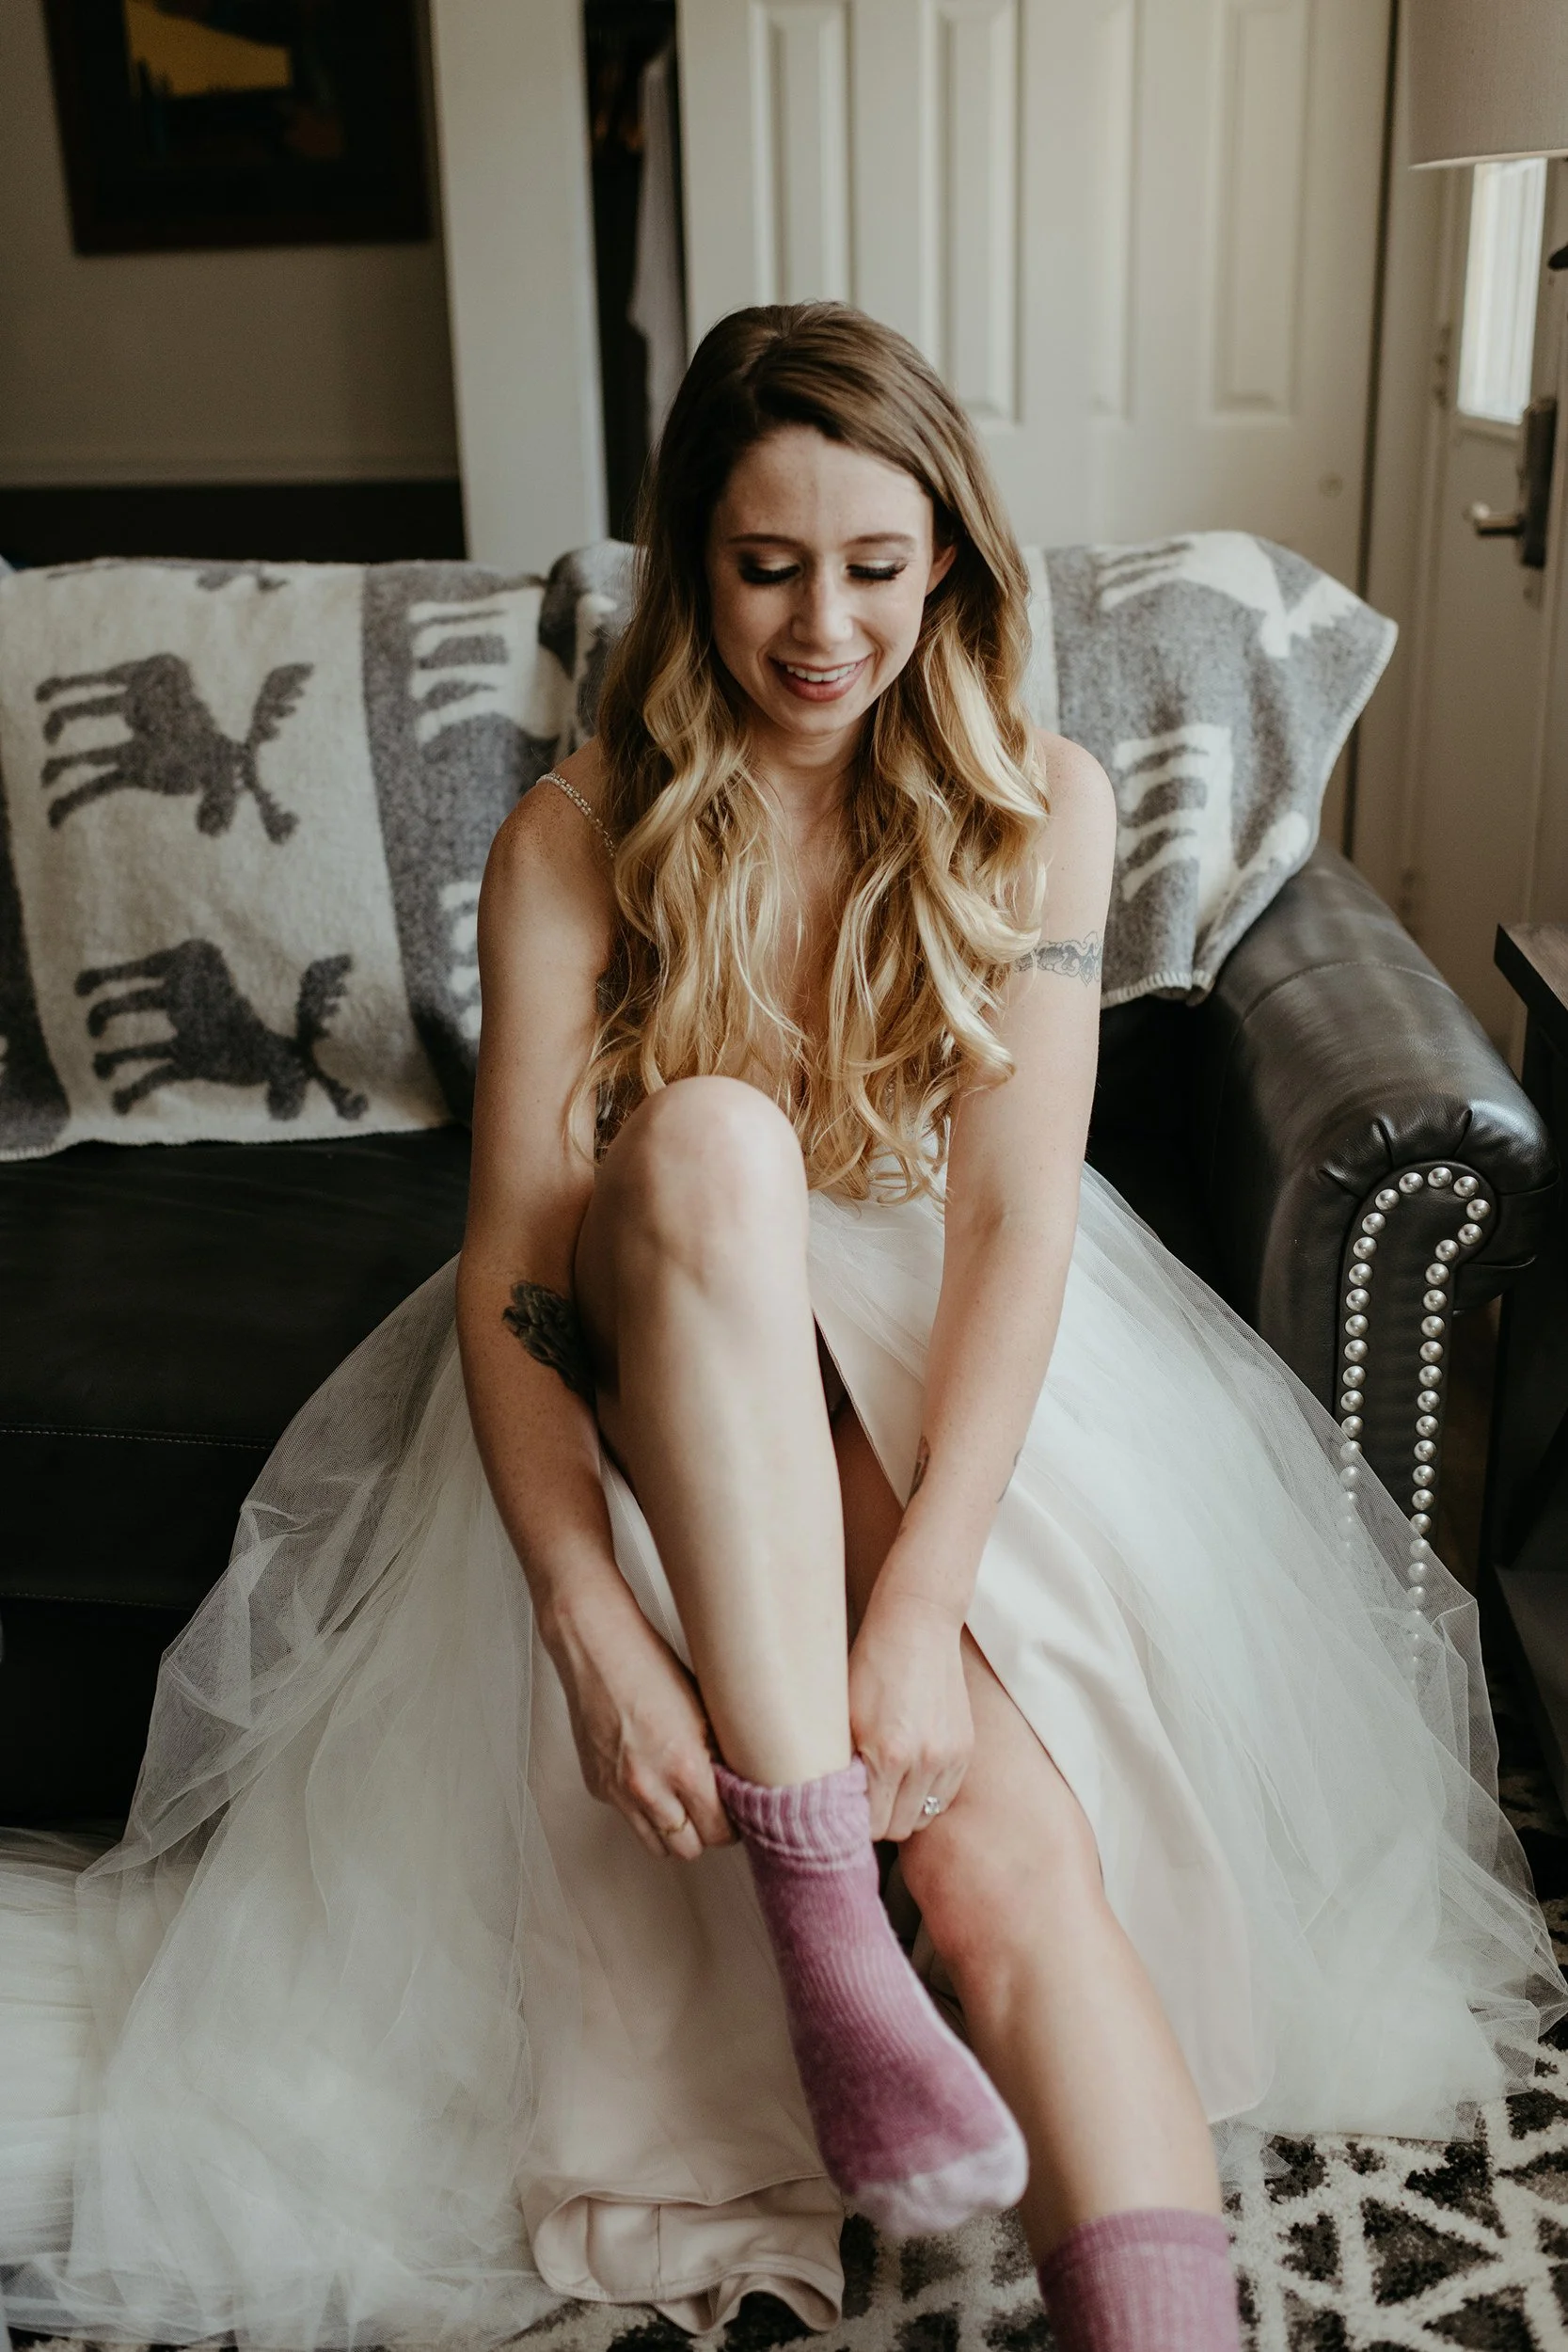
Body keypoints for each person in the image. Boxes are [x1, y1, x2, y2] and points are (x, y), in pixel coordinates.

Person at [0, 304, 1561, 2352]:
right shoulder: (577, 830)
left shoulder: (1038, 802)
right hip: (654, 1342)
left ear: (947, 562)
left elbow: (1012, 1215)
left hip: (927, 1357)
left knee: (1006, 1850)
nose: (819, 626)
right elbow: (516, 1268)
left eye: (872, 565)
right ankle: (821, 1903)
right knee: (717, 1139)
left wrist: (918, 1603)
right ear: (686, 564)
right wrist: (587, 1621)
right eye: (762, 567)